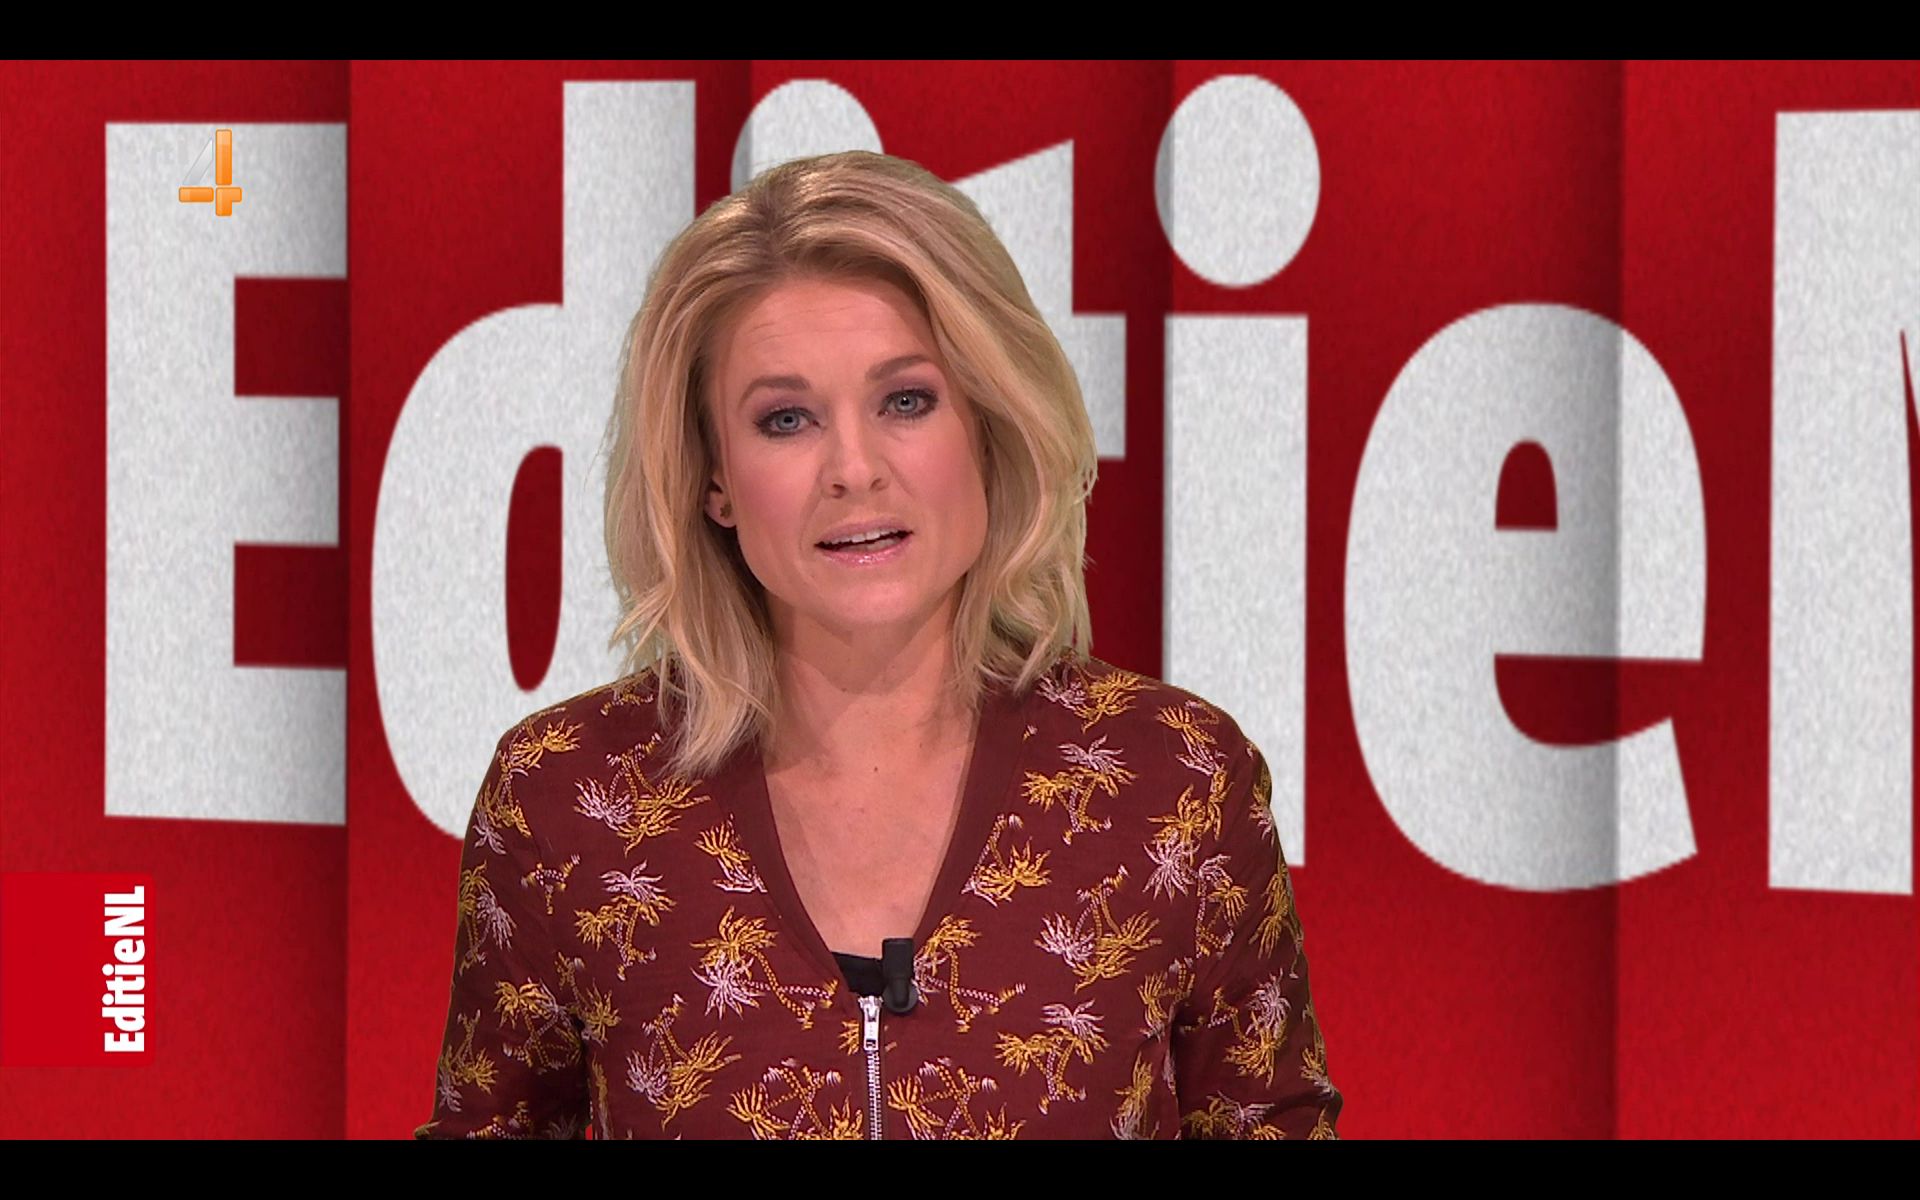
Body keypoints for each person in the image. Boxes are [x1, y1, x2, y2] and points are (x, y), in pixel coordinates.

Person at [414, 150, 1342, 1140]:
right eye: (786, 419)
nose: (854, 469)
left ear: (986, 424)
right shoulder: (567, 799)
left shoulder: (1174, 785)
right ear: (713, 479)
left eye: (906, 400)